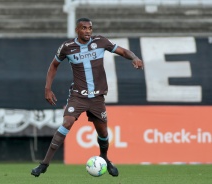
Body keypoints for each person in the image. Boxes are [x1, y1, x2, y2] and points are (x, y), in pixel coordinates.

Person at [31, 17, 143, 177]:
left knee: (103, 132)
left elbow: (124, 51)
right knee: (67, 122)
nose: (88, 31)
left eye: (90, 28)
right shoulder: (67, 47)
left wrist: (135, 58)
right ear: (77, 30)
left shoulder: (101, 42)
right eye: (84, 28)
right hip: (78, 96)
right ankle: (44, 164)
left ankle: (105, 159)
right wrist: (47, 88)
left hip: (97, 98)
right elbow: (54, 65)